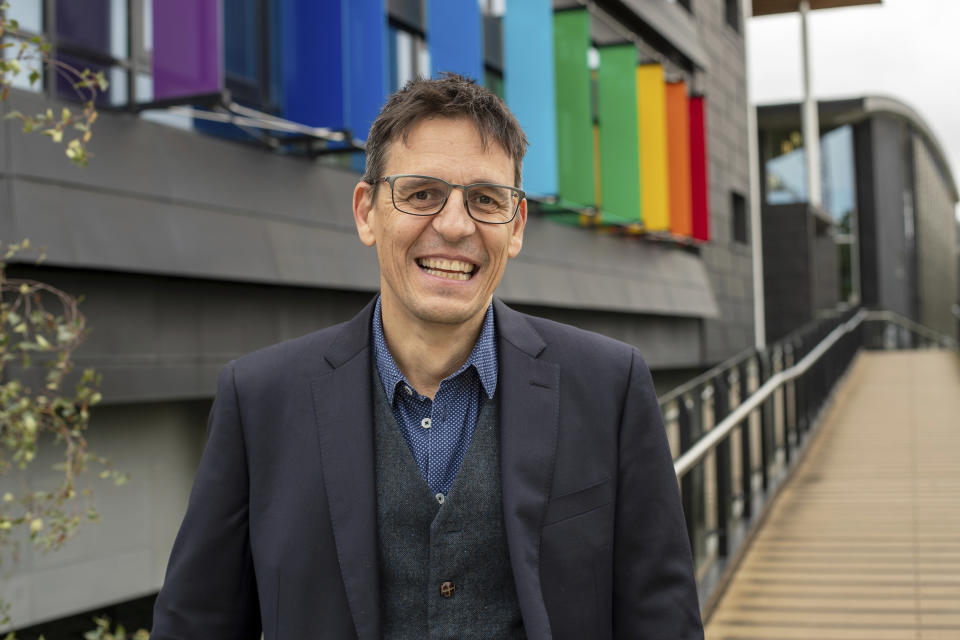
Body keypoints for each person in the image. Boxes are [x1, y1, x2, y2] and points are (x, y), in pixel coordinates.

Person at [152, 74, 703, 640]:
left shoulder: (610, 387)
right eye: (421, 194)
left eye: (486, 200)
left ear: (515, 227)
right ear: (367, 212)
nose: (455, 225)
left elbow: (661, 618)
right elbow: (197, 624)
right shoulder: (260, 398)